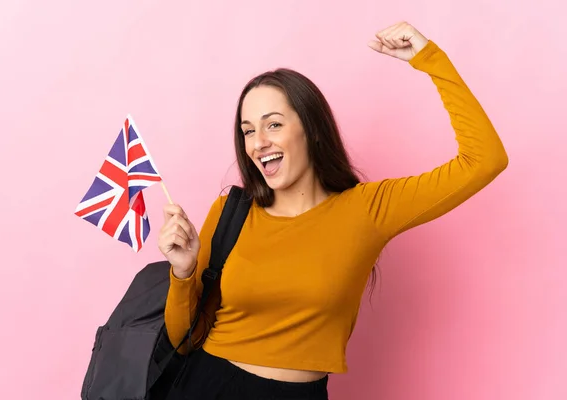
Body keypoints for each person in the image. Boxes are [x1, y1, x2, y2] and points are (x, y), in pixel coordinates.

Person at [159, 21, 508, 400]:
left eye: (273, 124)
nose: (258, 143)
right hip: (206, 385)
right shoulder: (232, 211)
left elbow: (485, 160)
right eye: (247, 131)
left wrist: (429, 59)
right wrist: (184, 271)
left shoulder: (368, 209)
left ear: (312, 129)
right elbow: (183, 339)